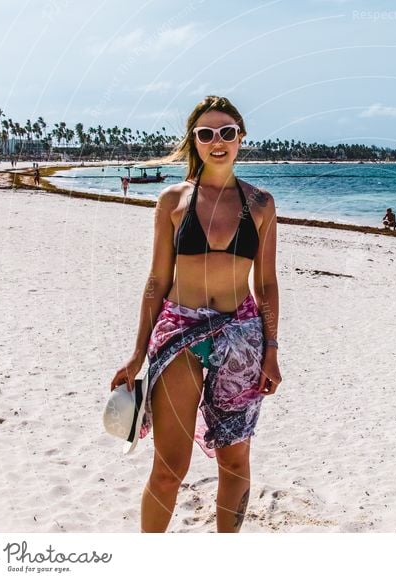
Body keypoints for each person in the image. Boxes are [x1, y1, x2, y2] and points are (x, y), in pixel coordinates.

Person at [110, 95, 282, 533]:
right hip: (178, 335)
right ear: (195, 141)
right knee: (170, 467)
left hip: (240, 340)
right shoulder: (173, 200)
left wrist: (272, 351)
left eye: (227, 132)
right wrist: (135, 354)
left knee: (235, 459)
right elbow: (156, 281)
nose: (217, 141)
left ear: (241, 137)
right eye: (206, 133)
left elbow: (265, 285)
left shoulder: (260, 204)